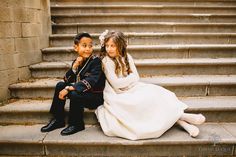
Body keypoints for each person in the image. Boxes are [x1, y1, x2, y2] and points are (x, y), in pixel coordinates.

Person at [95, 30, 206, 140]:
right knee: (142, 101)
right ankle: (183, 119)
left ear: (120, 45)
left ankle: (185, 124)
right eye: (107, 45)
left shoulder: (127, 57)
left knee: (158, 93)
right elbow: (116, 83)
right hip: (117, 94)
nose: (109, 49)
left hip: (133, 87)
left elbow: (136, 77)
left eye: (112, 46)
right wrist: (130, 79)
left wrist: (130, 80)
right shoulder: (106, 61)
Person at [41, 32, 106, 136]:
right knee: (60, 85)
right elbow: (66, 80)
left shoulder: (96, 61)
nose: (88, 49)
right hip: (83, 94)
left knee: (74, 93)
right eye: (84, 46)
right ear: (76, 47)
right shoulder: (77, 61)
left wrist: (69, 88)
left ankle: (77, 124)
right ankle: (58, 119)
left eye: (90, 45)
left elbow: (91, 80)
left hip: (95, 96)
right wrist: (74, 67)